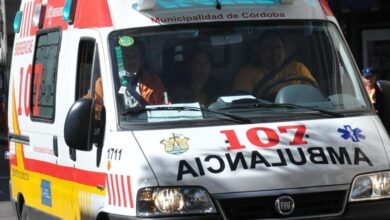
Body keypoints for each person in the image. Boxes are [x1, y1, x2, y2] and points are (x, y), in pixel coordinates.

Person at [234, 31, 316, 100]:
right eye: (268, 47)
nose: (274, 52)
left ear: (285, 50)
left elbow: (314, 95)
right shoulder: (247, 73)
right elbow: (242, 103)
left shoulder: (298, 68)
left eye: (278, 47)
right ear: (259, 52)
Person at [121, 42, 168, 106]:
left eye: (135, 56)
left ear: (140, 59)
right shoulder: (109, 79)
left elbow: (164, 107)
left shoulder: (153, 81)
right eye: (127, 57)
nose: (131, 60)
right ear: (121, 59)